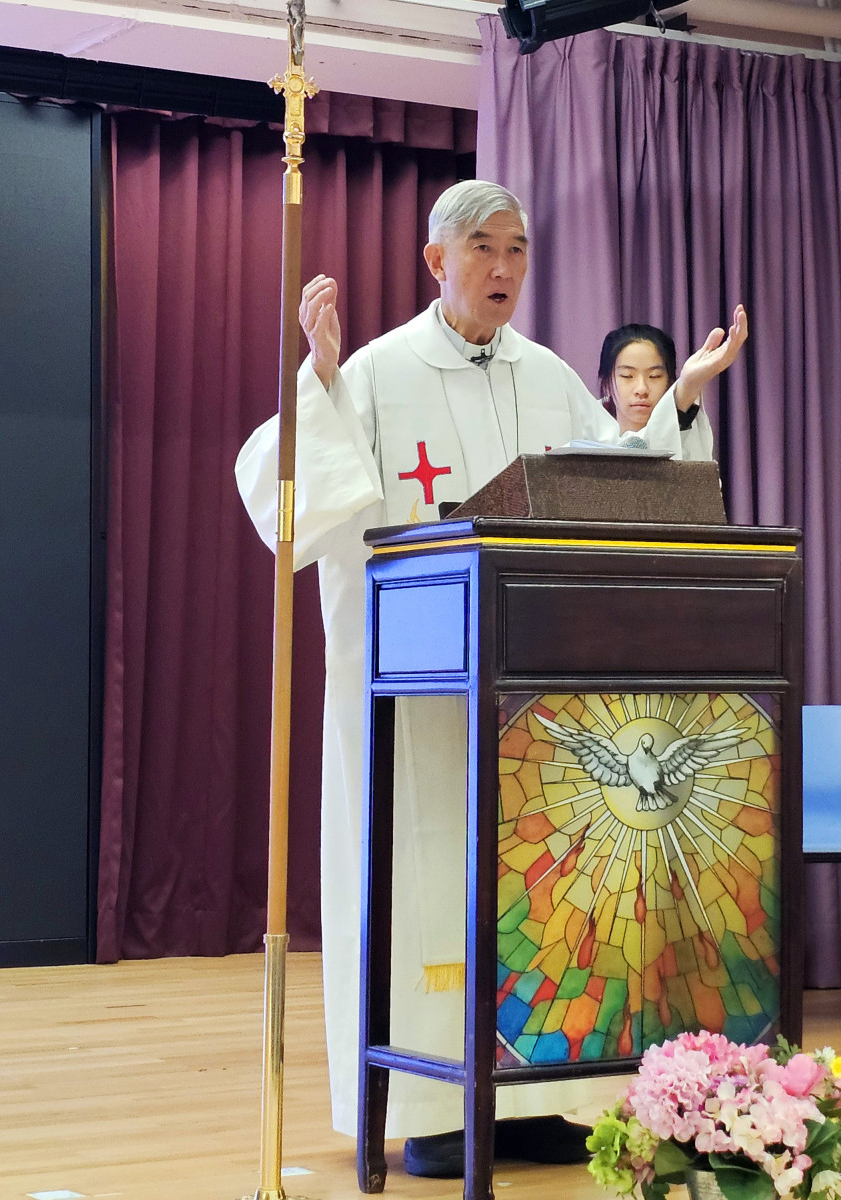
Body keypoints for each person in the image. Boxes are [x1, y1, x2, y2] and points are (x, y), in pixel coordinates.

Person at [234, 180, 746, 1177]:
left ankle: (539, 1094)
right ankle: (430, 1107)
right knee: (422, 879)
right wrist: (320, 379)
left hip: (532, 692)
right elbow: (292, 498)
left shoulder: (546, 374)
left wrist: (680, 399)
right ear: (437, 261)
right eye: (483, 247)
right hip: (414, 686)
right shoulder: (377, 372)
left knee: (545, 890)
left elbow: (617, 476)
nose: (504, 267)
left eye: (517, 248)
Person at [598, 319, 744, 462]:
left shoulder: (689, 433)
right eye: (627, 376)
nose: (641, 389)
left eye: (654, 376)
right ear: (606, 383)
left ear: (670, 382)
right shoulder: (589, 431)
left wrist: (688, 387)